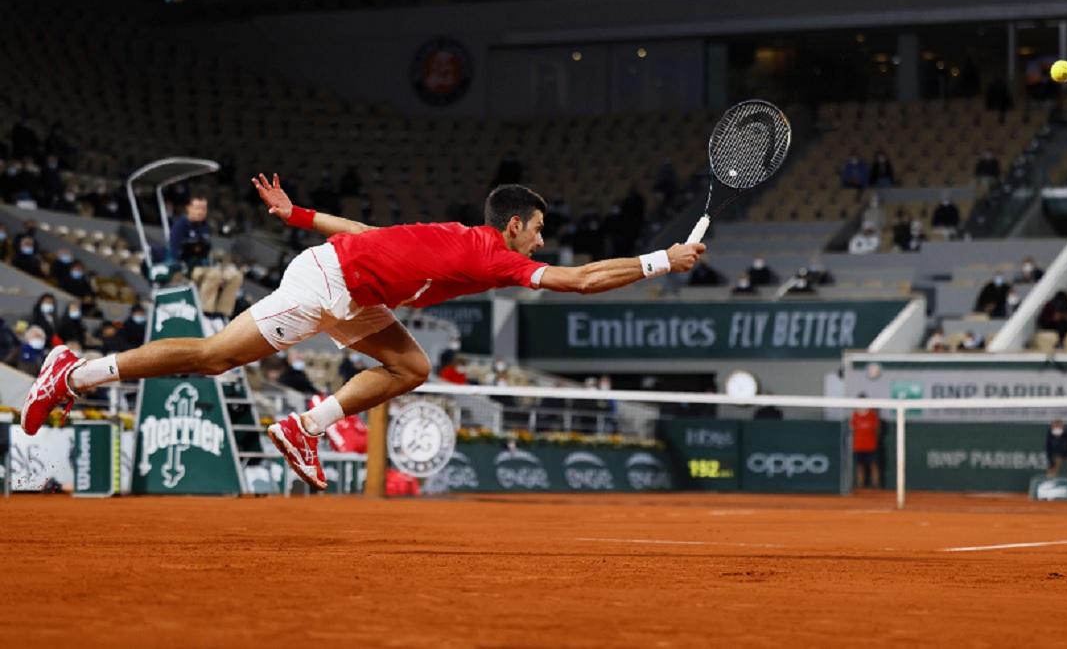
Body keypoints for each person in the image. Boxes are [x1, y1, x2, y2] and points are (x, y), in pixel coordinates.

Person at [20, 175, 705, 491]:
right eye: (538, 229)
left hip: (356, 290)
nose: (543, 238)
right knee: (211, 358)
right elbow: (580, 281)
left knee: (410, 366)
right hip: (326, 287)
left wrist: (298, 213)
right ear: (516, 227)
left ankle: (303, 427)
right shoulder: (491, 252)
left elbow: (370, 235)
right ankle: (74, 373)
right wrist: (659, 261)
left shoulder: (456, 239)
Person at [169, 195, 245, 318]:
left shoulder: (205, 227)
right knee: (214, 274)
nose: (200, 212)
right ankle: (206, 312)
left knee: (235, 276)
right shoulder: (180, 226)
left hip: (206, 266)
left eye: (203, 209)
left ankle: (222, 313)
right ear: (188, 208)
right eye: (197, 208)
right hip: (187, 268)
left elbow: (207, 251)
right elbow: (175, 253)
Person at [850, 394, 881, 489]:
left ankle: (876, 485)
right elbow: (852, 429)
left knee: (873, 465)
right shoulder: (854, 415)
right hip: (858, 446)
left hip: (871, 445)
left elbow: (877, 430)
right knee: (859, 466)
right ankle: (860, 486)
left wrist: (873, 440)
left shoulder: (872, 415)